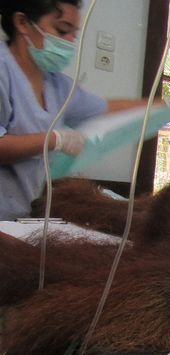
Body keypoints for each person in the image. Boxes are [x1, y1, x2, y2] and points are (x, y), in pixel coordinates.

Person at [0, 0, 149, 221]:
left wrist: (162, 105)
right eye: (62, 30)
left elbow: (103, 108)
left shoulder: (56, 85)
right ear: (22, 22)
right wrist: (55, 140)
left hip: (19, 216)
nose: (70, 41)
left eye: (74, 33)